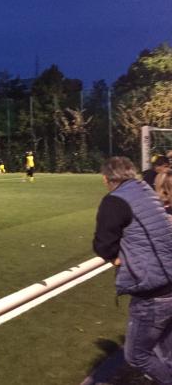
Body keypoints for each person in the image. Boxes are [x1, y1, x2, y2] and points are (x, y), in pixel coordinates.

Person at [92, 157, 172, 384]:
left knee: (136, 356)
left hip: (152, 292)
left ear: (106, 179)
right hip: (169, 281)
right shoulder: (145, 189)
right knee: (166, 351)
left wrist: (116, 260)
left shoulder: (114, 200)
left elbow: (103, 245)